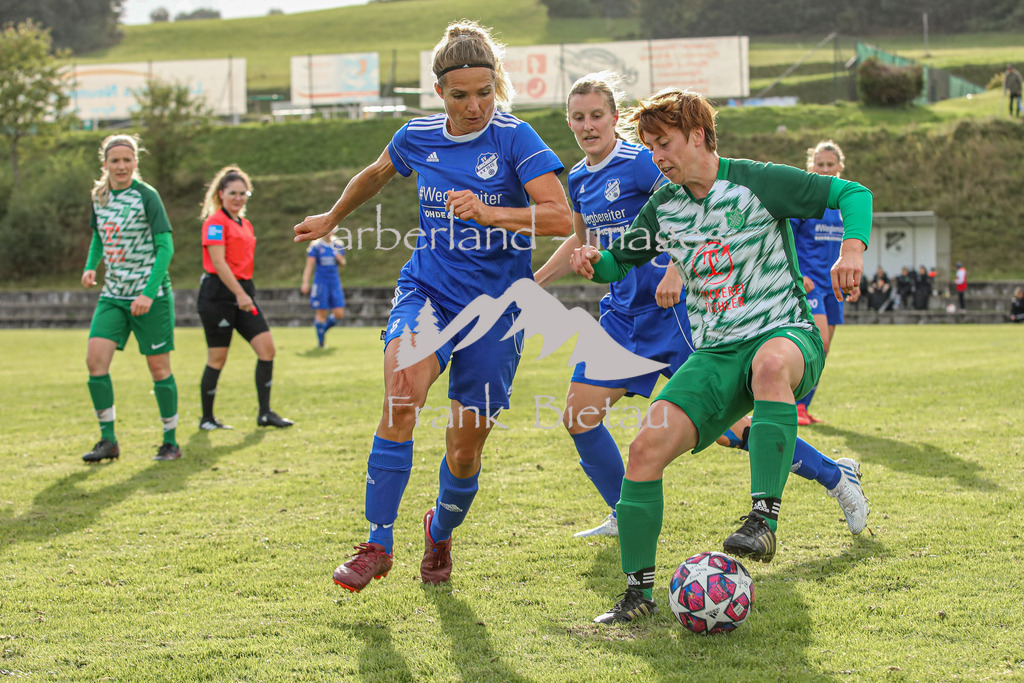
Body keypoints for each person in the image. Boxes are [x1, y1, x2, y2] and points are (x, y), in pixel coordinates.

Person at [569, 88, 872, 624]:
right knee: (644, 451)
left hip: (784, 334)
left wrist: (851, 252)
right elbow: (622, 260)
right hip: (715, 353)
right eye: (650, 147)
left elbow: (853, 193)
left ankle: (763, 521)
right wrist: (597, 262)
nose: (657, 157)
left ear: (701, 136)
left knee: (770, 366)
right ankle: (637, 595)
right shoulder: (663, 205)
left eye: (665, 144)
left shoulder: (757, 180)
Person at [293, 20, 570, 593]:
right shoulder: (417, 136)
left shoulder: (517, 140)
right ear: (439, 93)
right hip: (429, 292)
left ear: (498, 86)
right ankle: (377, 541)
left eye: (485, 92)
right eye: (460, 95)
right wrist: (331, 218)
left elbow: (563, 218)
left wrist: (496, 214)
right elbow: (374, 175)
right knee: (401, 395)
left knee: (463, 451)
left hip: (498, 312)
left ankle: (439, 531)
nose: (475, 106)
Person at [80, 134, 181, 463]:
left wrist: (148, 293)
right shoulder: (99, 196)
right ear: (105, 164)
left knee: (158, 368)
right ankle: (108, 440)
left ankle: (170, 442)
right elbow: (99, 235)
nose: (121, 166)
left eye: (127, 160)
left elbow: (166, 247)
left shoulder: (146, 196)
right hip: (113, 296)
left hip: (150, 296)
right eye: (115, 161)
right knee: (95, 361)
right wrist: (90, 266)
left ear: (136, 162)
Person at [197, 165, 294, 431]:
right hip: (218, 296)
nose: (238, 198)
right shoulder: (215, 222)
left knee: (267, 349)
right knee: (217, 358)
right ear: (221, 194)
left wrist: (244, 293)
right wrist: (239, 294)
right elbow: (218, 262)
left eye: (243, 193)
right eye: (233, 193)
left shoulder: (246, 224)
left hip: (243, 294)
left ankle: (265, 413)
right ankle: (207, 418)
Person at [789, 140, 851, 425]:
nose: (825, 169)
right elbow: (784, 239)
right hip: (810, 285)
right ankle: (791, 403)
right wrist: (799, 274)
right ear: (810, 166)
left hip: (834, 286)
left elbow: (849, 244)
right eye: (820, 164)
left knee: (825, 350)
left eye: (830, 165)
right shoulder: (805, 201)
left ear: (839, 167)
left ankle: (802, 407)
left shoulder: (841, 204)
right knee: (819, 342)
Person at [300, 234, 347, 347]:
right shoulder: (316, 246)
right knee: (322, 312)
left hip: (334, 282)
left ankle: (322, 329)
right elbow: (309, 265)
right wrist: (305, 282)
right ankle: (321, 342)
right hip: (321, 283)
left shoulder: (338, 244)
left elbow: (343, 262)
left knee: (339, 313)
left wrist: (339, 258)